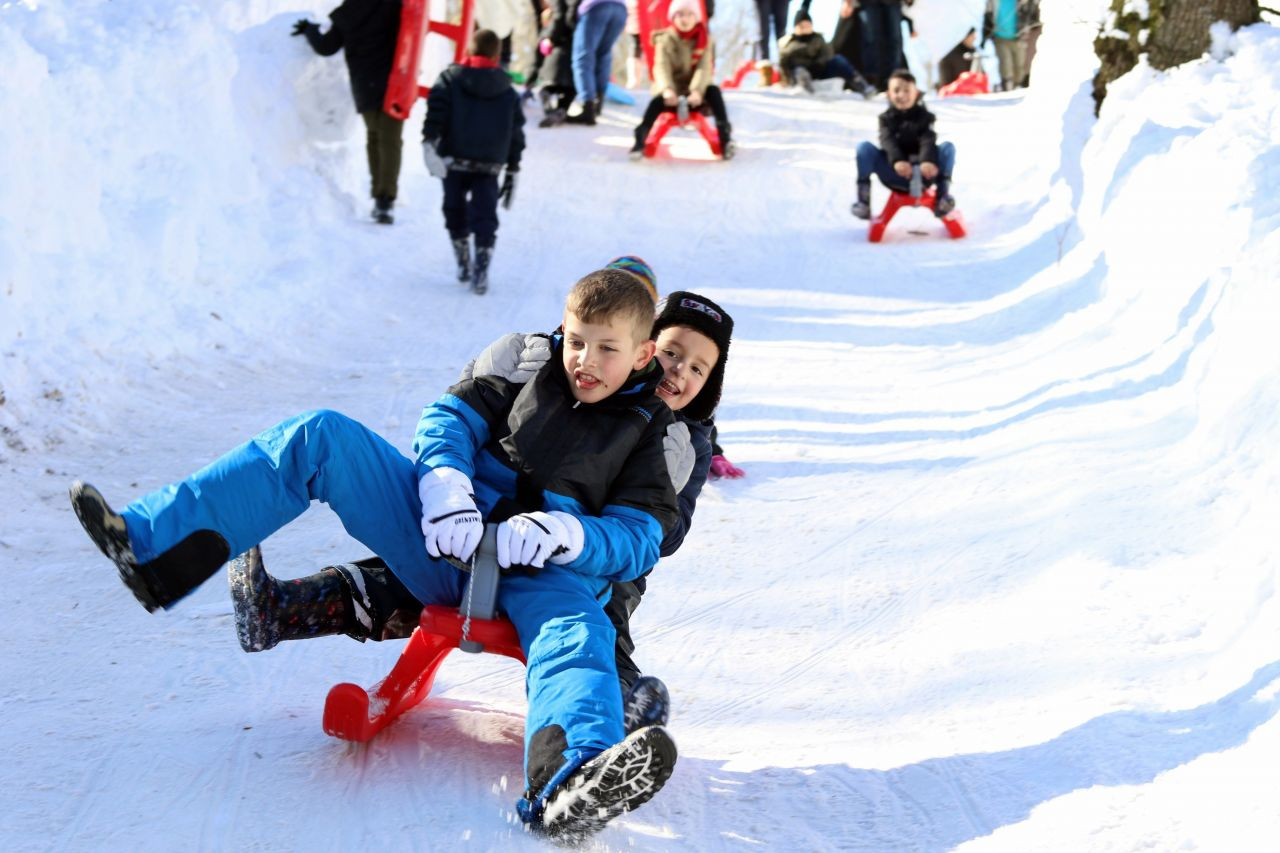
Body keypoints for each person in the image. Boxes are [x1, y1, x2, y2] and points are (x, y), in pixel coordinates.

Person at [70, 269, 680, 841]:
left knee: (578, 640)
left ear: (642, 354)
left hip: (547, 575)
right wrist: (444, 481)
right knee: (321, 436)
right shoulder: (525, 363)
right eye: (577, 341)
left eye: (606, 348)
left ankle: (565, 781)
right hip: (449, 541)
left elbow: (639, 537)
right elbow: (450, 417)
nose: (585, 361)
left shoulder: (649, 430)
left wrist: (568, 536)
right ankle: (155, 550)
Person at [421, 29, 526, 295]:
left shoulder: (449, 79)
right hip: (488, 166)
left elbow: (436, 112)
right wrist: (513, 167)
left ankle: (463, 262)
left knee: (453, 211)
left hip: (453, 160)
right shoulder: (508, 90)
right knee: (485, 215)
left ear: (469, 49)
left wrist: (429, 142)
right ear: (496, 55)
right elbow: (515, 132)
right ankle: (481, 270)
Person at [293, 0, 405, 225]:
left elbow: (326, 47)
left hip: (365, 84)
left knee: (374, 137)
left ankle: (380, 198)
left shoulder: (348, 12)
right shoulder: (392, 4)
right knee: (390, 140)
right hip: (394, 82)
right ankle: (385, 200)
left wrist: (309, 30)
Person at [629, 0, 734, 161]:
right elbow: (661, 67)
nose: (685, 19)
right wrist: (667, 89)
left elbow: (704, 68)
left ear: (696, 17)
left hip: (695, 94)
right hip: (672, 93)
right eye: (680, 15)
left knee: (714, 92)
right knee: (655, 103)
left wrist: (697, 91)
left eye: (689, 14)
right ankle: (640, 138)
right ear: (673, 17)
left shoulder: (704, 39)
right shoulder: (664, 40)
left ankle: (725, 138)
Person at [850, 68, 956, 219]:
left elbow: (928, 139)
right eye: (897, 90)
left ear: (916, 93)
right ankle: (863, 201)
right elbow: (887, 141)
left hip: (925, 173)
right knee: (864, 149)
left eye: (907, 90)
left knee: (947, 148)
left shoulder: (926, 117)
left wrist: (927, 161)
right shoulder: (885, 119)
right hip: (895, 174)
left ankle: (942, 197)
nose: (902, 95)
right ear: (889, 94)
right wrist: (897, 161)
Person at [779, 10, 874, 97]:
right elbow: (783, 63)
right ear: (796, 27)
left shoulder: (818, 38)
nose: (805, 29)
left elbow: (828, 54)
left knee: (839, 60)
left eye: (808, 25)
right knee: (800, 71)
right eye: (802, 26)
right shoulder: (788, 42)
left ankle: (862, 86)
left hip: (819, 70)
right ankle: (805, 90)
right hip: (799, 73)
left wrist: (818, 63)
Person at [561, 0, 628, 125]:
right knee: (603, 54)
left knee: (583, 58)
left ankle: (588, 106)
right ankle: (598, 104)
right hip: (620, 8)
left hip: (595, 7)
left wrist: (570, 17)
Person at [982, 0, 1040, 91]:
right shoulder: (993, 2)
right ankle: (1007, 88)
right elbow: (987, 16)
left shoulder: (1022, 2)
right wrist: (985, 36)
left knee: (1019, 66)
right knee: (1005, 63)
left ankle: (1017, 87)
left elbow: (1031, 12)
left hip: (1018, 38)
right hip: (1000, 38)